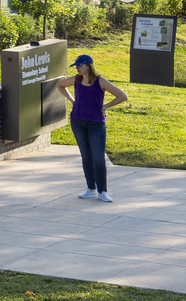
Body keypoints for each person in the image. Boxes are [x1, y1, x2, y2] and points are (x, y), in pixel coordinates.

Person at [53, 54, 129, 202]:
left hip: (96, 124)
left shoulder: (100, 81)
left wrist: (105, 106)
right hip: (78, 121)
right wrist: (72, 100)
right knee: (86, 157)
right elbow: (60, 85)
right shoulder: (76, 80)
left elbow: (122, 96)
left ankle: (102, 191)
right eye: (76, 66)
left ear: (88, 66)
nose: (77, 68)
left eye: (80, 65)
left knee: (98, 158)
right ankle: (91, 189)